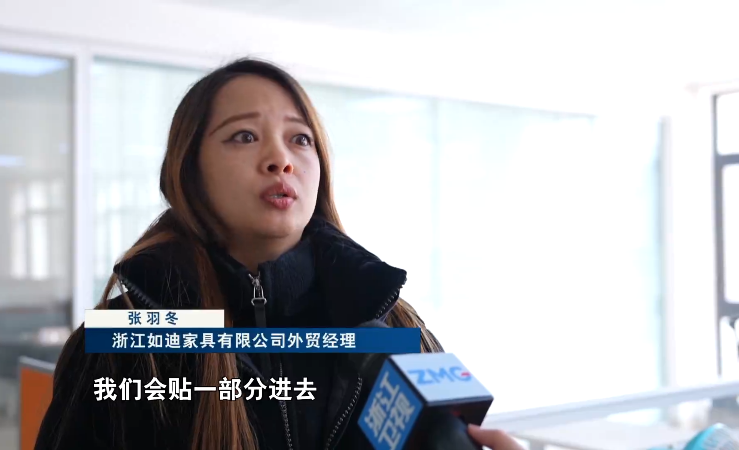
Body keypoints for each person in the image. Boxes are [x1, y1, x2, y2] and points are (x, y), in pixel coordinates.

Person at [34, 58, 518, 450]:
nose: (281, 160)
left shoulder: (394, 328)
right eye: (244, 136)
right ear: (189, 171)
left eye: (300, 139)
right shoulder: (124, 345)